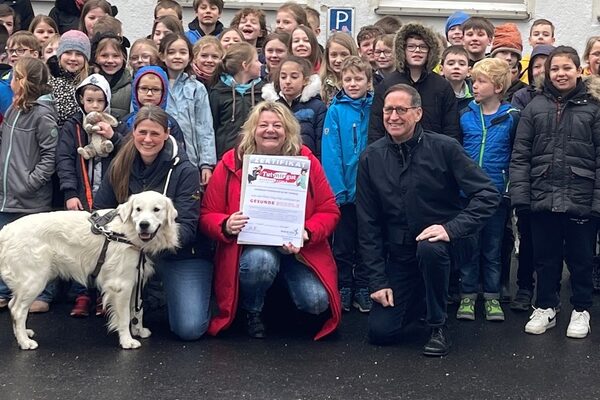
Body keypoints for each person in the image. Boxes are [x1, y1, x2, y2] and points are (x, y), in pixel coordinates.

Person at [357, 84, 499, 356]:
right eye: (388, 110)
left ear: (419, 113)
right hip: (401, 254)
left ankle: (438, 326)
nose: (394, 116)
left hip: (448, 245)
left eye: (402, 109)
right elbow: (368, 224)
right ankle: (422, 298)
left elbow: (487, 193)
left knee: (430, 248)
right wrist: (377, 281)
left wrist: (451, 228)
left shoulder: (445, 148)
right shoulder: (371, 157)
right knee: (380, 332)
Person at [200, 101, 341, 340]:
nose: (270, 130)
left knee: (316, 302)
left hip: (297, 250)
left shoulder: (306, 160)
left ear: (288, 131)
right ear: (252, 130)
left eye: (278, 125)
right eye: (263, 125)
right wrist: (225, 224)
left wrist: (307, 231)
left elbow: (329, 210)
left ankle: (278, 304)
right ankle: (252, 310)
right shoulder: (231, 162)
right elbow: (206, 214)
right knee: (261, 262)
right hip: (250, 249)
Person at [94, 105, 214, 341]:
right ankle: (138, 303)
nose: (148, 139)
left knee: (189, 328)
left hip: (180, 254)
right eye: (142, 132)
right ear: (133, 132)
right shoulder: (119, 164)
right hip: (130, 250)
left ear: (166, 134)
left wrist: (142, 241)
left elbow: (188, 228)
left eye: (155, 133)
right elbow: (100, 212)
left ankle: (162, 293)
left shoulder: (185, 170)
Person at [510, 46, 600, 339]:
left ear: (579, 70)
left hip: (581, 198)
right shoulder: (535, 107)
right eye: (554, 69)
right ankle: (545, 306)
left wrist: (597, 201)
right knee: (545, 258)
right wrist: (521, 198)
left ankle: (581, 309)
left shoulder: (594, 108)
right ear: (546, 73)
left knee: (581, 258)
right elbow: (521, 155)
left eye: (566, 68)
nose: (561, 73)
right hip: (542, 196)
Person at [55, 73, 125, 317]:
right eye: (89, 100)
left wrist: (112, 137)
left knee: (106, 247)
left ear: (106, 102)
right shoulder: (72, 126)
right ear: (81, 100)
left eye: (99, 101)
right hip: (81, 197)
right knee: (80, 245)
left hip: (108, 197)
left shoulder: (116, 124)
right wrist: (70, 192)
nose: (94, 105)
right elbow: (64, 159)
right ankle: (82, 294)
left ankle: (103, 296)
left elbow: (126, 153)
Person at [457, 58, 519, 322]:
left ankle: (492, 297)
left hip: (496, 194)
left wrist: (508, 188)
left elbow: (517, 154)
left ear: (497, 86)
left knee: (492, 248)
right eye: (473, 81)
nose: (474, 86)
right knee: (469, 247)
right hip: (468, 195)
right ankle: (468, 296)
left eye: (480, 81)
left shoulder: (512, 117)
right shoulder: (465, 116)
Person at [0, 57, 59, 313]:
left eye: (15, 77)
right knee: (7, 248)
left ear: (24, 82)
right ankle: (5, 291)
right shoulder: (14, 110)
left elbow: (50, 156)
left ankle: (44, 294)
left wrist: (29, 183)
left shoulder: (42, 115)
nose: (11, 82)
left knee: (36, 250)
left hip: (29, 199)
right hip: (6, 195)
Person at [322, 56, 373, 313]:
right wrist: (338, 190)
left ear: (369, 81)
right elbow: (331, 153)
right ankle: (343, 285)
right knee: (342, 244)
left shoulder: (376, 108)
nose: (353, 84)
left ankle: (363, 286)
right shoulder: (336, 110)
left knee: (367, 243)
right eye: (348, 79)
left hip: (370, 193)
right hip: (345, 192)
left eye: (358, 79)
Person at [368, 22, 461, 144]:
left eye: (423, 47)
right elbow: (376, 128)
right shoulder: (388, 84)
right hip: (395, 154)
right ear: (402, 49)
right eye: (411, 46)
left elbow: (451, 129)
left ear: (430, 51)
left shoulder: (442, 86)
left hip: (433, 156)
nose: (417, 51)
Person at [160, 33, 216, 185]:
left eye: (183, 52)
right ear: (162, 56)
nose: (177, 56)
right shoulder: (155, 84)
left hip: (190, 159)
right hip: (159, 158)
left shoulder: (197, 88)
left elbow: (205, 128)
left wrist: (206, 164)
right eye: (171, 52)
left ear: (190, 57)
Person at [262, 56, 326, 158]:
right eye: (283, 77)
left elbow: (321, 143)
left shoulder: (317, 107)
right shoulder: (270, 107)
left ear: (305, 80)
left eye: (294, 77)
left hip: (307, 163)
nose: (287, 81)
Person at [209, 42, 263, 159]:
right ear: (245, 65)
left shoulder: (264, 91)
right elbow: (212, 127)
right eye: (256, 60)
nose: (260, 64)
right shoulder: (218, 92)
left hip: (256, 156)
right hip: (225, 156)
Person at [47, 29, 91, 127]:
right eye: (68, 53)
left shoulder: (90, 83)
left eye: (79, 54)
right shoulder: (48, 80)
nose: (73, 58)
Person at [90, 32, 131, 120]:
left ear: (123, 58)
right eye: (104, 56)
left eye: (115, 56)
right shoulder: (88, 82)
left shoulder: (130, 85)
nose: (110, 60)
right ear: (95, 57)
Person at [320, 32, 358, 106]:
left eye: (344, 55)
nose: (338, 60)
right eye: (333, 55)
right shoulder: (319, 85)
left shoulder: (361, 84)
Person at [521, 19, 556, 83]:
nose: (540, 37)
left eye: (545, 35)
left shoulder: (557, 62)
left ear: (552, 41)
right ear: (530, 40)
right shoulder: (522, 65)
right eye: (536, 34)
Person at [440, 45, 472, 112]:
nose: (456, 67)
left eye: (462, 64)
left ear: (469, 71)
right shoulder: (435, 92)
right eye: (451, 64)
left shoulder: (474, 93)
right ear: (441, 69)